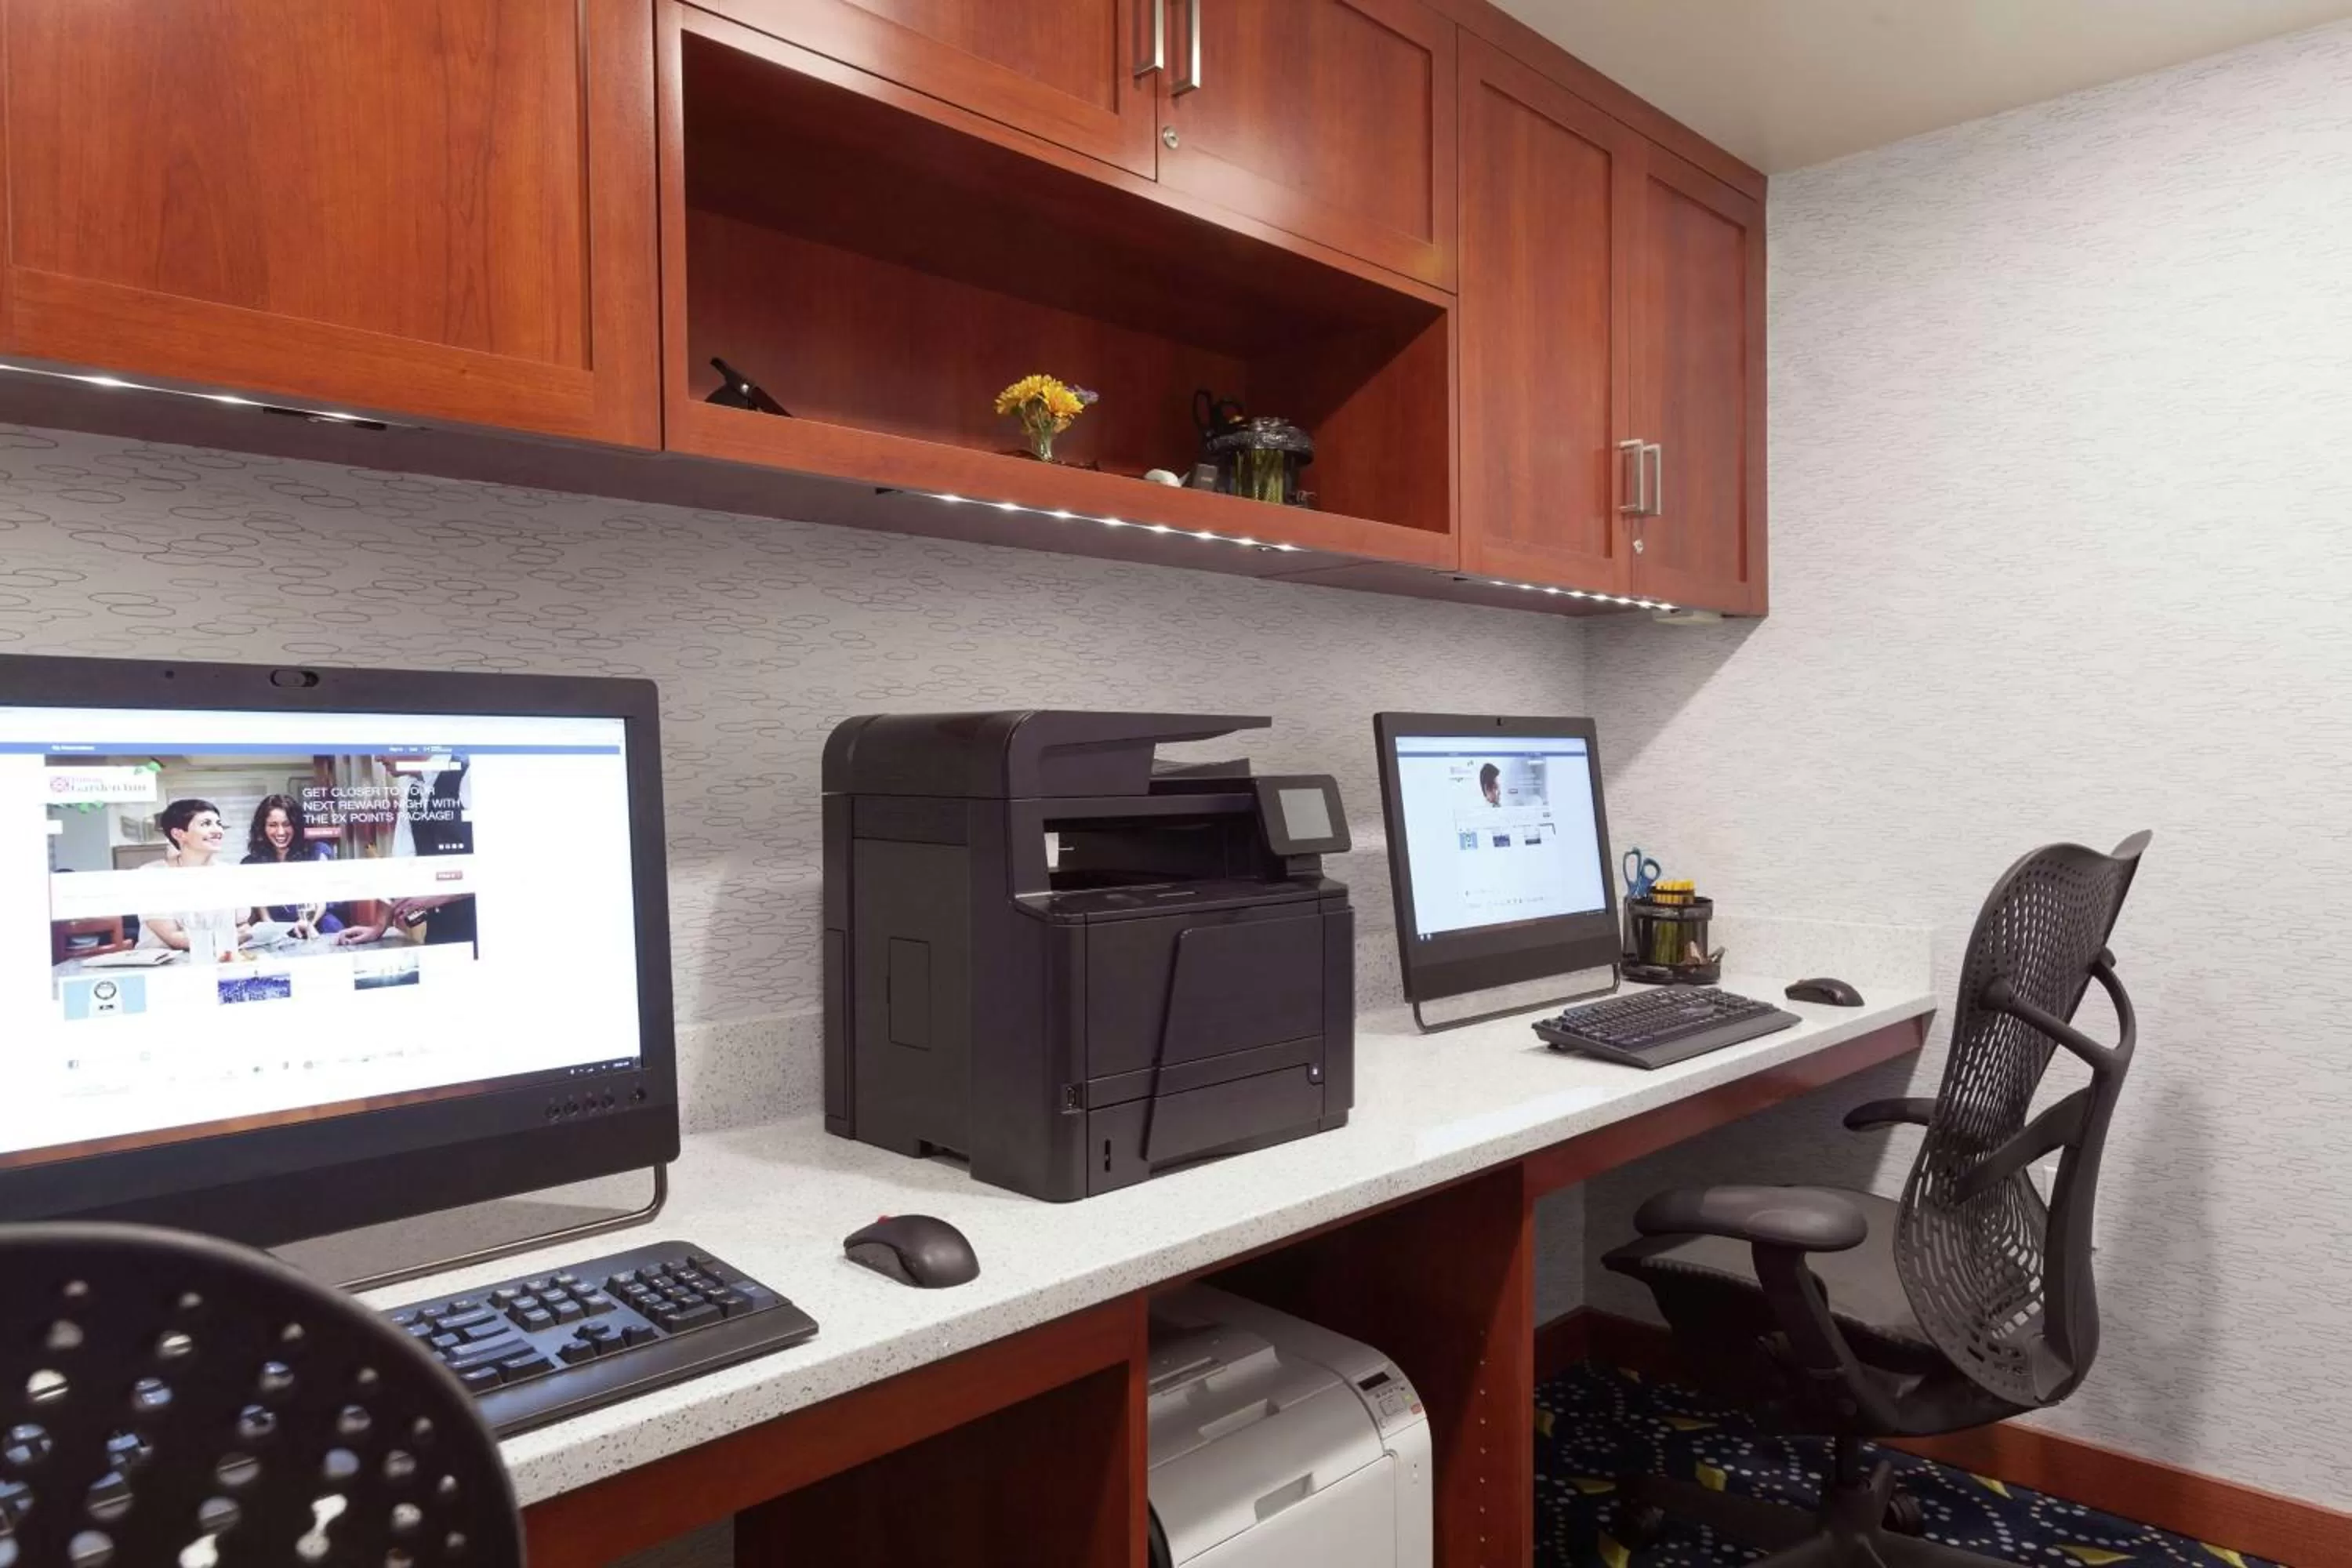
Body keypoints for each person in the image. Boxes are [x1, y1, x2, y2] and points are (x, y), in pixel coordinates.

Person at [136, 798, 247, 959]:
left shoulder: (229, 873)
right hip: (167, 968)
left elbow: (243, 926)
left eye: (219, 823)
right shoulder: (152, 875)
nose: (218, 831)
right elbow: (172, 937)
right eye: (206, 824)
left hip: (221, 960)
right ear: (178, 834)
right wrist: (227, 939)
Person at [241, 793, 338, 937]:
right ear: (262, 828)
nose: (280, 832)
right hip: (277, 931)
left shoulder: (317, 851)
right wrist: (274, 932)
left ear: (296, 826)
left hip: (319, 924)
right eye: (273, 825)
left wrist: (307, 923)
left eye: (287, 824)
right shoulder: (251, 863)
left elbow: (321, 902)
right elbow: (264, 915)